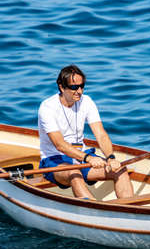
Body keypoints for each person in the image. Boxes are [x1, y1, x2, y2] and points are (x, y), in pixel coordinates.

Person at [38, 65, 133, 200]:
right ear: (61, 87)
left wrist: (110, 158)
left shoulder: (87, 101)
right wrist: (88, 158)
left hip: (80, 158)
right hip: (54, 160)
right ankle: (95, 212)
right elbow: (60, 145)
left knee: (120, 170)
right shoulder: (47, 108)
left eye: (82, 86)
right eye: (74, 87)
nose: (79, 91)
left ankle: (129, 211)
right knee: (74, 173)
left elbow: (100, 134)